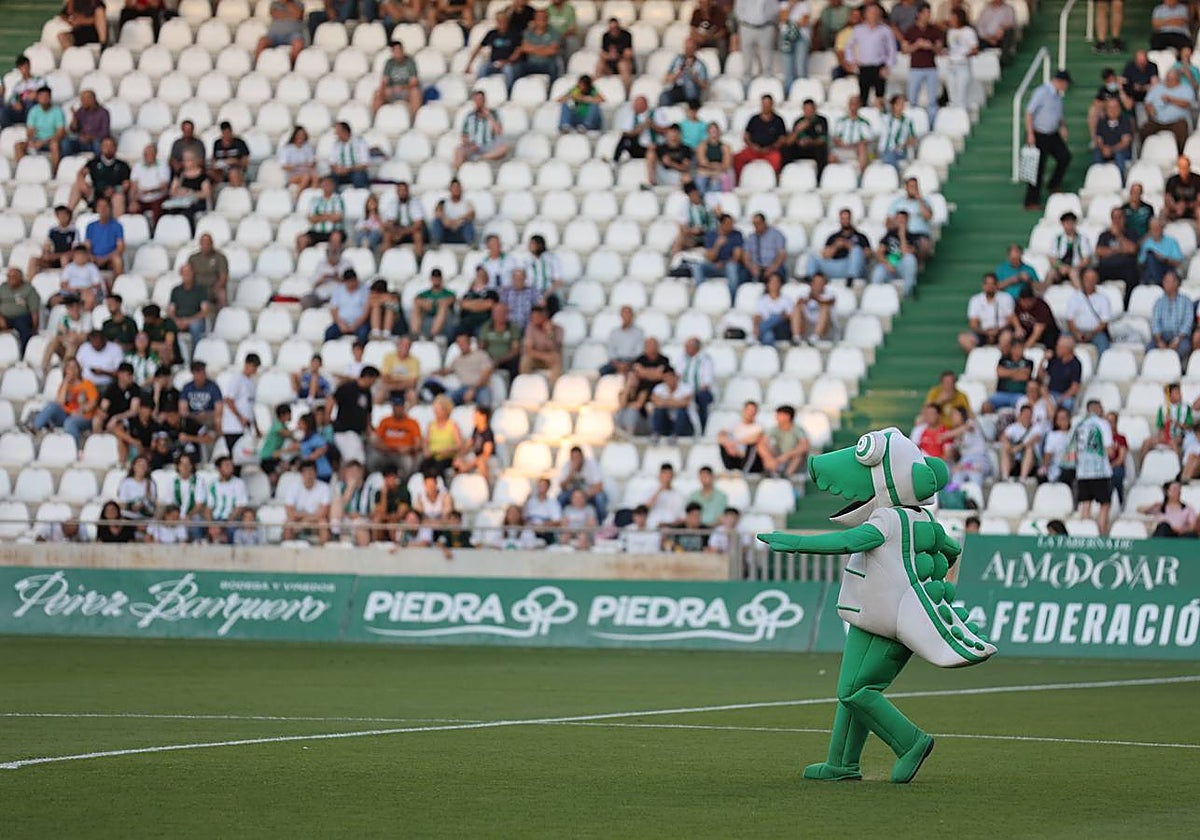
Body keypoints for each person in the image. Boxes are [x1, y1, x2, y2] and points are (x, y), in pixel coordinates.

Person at [1024, 70, 1071, 211]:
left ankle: (1053, 184)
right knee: (1037, 169)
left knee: (1064, 157)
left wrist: (1062, 126)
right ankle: (1031, 201)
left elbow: (1058, 113)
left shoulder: (1058, 96)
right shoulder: (1042, 92)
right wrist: (1030, 133)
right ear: (1060, 82)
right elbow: (1029, 113)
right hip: (1039, 133)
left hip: (1052, 133)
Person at [30, 358, 97, 444]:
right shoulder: (64, 385)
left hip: (83, 417)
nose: (71, 370)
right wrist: (66, 382)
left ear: (79, 369)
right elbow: (60, 402)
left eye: (74, 367)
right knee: (52, 405)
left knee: (70, 422)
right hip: (66, 415)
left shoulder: (87, 384)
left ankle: (73, 448)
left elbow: (93, 403)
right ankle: (34, 428)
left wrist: (80, 410)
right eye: (68, 367)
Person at [1072, 400, 1114, 534]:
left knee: (1085, 505)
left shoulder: (1078, 425)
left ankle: (1084, 534)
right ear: (1096, 408)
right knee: (1104, 506)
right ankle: (1101, 536)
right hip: (1100, 471)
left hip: (1082, 471)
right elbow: (1109, 450)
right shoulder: (1102, 424)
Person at [844, 3, 895, 106]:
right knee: (863, 97)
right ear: (865, 14)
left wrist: (888, 66)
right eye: (871, 12)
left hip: (879, 67)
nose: (874, 15)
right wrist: (852, 61)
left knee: (880, 98)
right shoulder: (858, 30)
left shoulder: (885, 30)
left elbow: (892, 49)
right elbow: (848, 47)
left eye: (876, 12)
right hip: (864, 67)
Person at [428, 331, 494, 406]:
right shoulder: (457, 360)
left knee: (485, 404)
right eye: (459, 343)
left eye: (464, 342)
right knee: (444, 401)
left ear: (469, 343)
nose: (461, 345)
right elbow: (447, 371)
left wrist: (473, 389)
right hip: (464, 388)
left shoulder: (481, 355)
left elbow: (486, 375)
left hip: (481, 387)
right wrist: (433, 372)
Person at [901, 4, 943, 123]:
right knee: (913, 98)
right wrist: (917, 45)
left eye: (929, 13)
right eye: (925, 13)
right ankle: (913, 122)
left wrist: (931, 46)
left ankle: (932, 123)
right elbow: (905, 50)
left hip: (931, 67)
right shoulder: (911, 30)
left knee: (932, 99)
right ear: (919, 14)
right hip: (915, 68)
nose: (928, 15)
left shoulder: (934, 30)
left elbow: (939, 50)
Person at [957, 273, 1015, 353]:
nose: (990, 287)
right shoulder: (975, 300)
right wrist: (986, 332)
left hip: (1001, 331)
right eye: (987, 284)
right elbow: (973, 323)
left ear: (997, 285)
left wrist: (997, 330)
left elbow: (1010, 320)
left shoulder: (1006, 297)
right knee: (963, 338)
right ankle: (978, 358)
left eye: (992, 284)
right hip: (982, 333)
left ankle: (1001, 359)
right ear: (983, 285)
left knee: (1007, 337)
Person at [690, 213, 745, 298]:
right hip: (714, 266)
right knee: (696, 267)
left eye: (732, 223)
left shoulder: (737, 234)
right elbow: (709, 257)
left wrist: (723, 263)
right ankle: (701, 294)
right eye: (728, 224)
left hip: (727, 266)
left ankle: (732, 299)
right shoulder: (711, 235)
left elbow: (736, 257)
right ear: (721, 224)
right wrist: (717, 245)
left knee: (731, 267)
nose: (731, 226)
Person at [1141, 69, 1195, 153]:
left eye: (1171, 80)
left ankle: (1181, 155)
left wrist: (1171, 100)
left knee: (1182, 130)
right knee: (1145, 129)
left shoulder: (1186, 89)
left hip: (1177, 121)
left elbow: (1187, 104)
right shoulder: (1157, 88)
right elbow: (1147, 102)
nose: (1168, 81)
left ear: (1178, 79)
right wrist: (1150, 109)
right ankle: (1142, 153)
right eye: (1167, 79)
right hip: (1157, 120)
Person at [806, 208, 867, 281]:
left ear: (851, 219)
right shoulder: (833, 237)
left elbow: (867, 255)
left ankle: (851, 279)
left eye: (847, 218)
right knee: (812, 256)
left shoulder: (860, 236)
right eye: (843, 219)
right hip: (835, 265)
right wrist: (836, 246)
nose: (845, 221)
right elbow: (825, 256)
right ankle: (811, 281)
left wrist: (849, 246)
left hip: (850, 265)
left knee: (857, 250)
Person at [735, 213, 788, 296]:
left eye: (758, 224)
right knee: (741, 275)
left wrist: (772, 268)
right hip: (757, 267)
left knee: (776, 275)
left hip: (773, 266)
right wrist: (752, 267)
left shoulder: (777, 235)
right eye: (754, 224)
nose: (756, 226)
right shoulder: (751, 237)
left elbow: (781, 255)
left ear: (764, 223)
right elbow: (746, 256)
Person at [733, 95, 787, 177]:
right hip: (753, 150)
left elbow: (782, 139)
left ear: (772, 104)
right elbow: (746, 136)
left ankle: (774, 180)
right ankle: (739, 179)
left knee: (777, 158)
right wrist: (752, 146)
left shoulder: (778, 120)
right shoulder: (754, 119)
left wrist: (770, 148)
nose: (766, 106)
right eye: (764, 103)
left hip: (770, 151)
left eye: (768, 103)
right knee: (737, 158)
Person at [13, 86, 63, 173]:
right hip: (37, 140)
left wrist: (44, 142)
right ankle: (21, 171)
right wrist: (31, 140)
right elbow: (30, 130)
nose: (44, 99)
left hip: (51, 140)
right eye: (41, 96)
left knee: (54, 145)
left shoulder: (57, 111)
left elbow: (60, 132)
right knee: (18, 145)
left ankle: (55, 173)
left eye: (46, 96)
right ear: (38, 97)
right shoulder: (34, 111)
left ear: (50, 98)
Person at [871, 210, 919, 295]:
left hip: (903, 266)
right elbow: (878, 253)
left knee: (910, 259)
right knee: (878, 271)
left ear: (907, 221)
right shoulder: (889, 235)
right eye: (898, 219)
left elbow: (906, 253)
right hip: (889, 265)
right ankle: (876, 297)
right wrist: (887, 263)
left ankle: (907, 293)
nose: (900, 221)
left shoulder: (913, 237)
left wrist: (902, 236)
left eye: (903, 219)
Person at [283, 461, 332, 545]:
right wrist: (304, 519)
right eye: (306, 472)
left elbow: (323, 512)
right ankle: (287, 549)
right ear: (301, 474)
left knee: (323, 523)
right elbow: (290, 512)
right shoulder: (293, 488)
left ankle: (322, 550)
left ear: (316, 473)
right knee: (289, 522)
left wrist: (306, 521)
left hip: (315, 521)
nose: (309, 475)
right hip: (300, 520)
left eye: (311, 472)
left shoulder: (324, 488)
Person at [1065, 268, 1112, 355]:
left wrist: (1091, 334)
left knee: (1103, 345)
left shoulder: (1103, 299)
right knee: (1063, 340)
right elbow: (1069, 319)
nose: (1090, 282)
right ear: (1082, 279)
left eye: (1092, 279)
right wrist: (1076, 333)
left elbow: (1104, 322)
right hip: (1076, 331)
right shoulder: (1074, 297)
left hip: (1096, 333)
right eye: (1087, 279)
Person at [470, 10, 520, 91]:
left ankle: (508, 92)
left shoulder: (514, 34)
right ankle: (477, 91)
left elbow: (518, 51)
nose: (501, 23)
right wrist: (469, 64)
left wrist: (507, 61)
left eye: (503, 20)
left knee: (509, 70)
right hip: (494, 63)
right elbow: (479, 47)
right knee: (482, 68)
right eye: (499, 20)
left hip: (508, 63)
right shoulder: (492, 33)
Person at [163, 150, 211, 233]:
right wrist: (179, 192)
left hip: (196, 201)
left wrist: (191, 192)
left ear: (195, 160)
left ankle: (189, 233)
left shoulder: (202, 175)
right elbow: (172, 191)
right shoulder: (180, 174)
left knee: (186, 213)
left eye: (189, 160)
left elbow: (206, 193)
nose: (187, 162)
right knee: (170, 211)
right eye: (185, 160)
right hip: (182, 201)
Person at [557, 445, 607, 523]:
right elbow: (562, 487)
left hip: (589, 493)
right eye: (573, 457)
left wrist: (584, 496)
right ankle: (559, 521)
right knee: (561, 497)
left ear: (582, 456)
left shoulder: (591, 464)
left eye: (578, 457)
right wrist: (571, 472)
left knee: (600, 498)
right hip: (573, 493)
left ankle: (601, 523)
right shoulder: (567, 466)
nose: (576, 460)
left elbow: (599, 486)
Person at [675, 337, 716, 433]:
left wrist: (691, 394)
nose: (685, 349)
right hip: (684, 391)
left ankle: (702, 427)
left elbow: (706, 383)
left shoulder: (705, 360)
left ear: (695, 348)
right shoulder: (682, 358)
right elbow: (677, 375)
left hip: (700, 392)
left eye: (688, 347)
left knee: (702, 398)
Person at [374, 40, 422, 117]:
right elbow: (384, 81)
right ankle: (377, 118)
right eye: (395, 51)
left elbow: (414, 82)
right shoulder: (389, 63)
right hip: (392, 90)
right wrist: (385, 89)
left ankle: (414, 118)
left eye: (399, 50)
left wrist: (402, 88)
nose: (397, 53)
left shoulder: (410, 62)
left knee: (415, 92)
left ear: (402, 50)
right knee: (377, 93)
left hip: (406, 90)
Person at [1095, 206, 1139, 289]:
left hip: (1125, 267)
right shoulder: (1105, 234)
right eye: (1114, 218)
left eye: (1119, 217)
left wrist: (1119, 235)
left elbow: (1132, 249)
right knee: (1091, 274)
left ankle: (1127, 301)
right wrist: (1121, 250)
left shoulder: (1131, 233)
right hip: (1106, 267)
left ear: (1124, 219)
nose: (1117, 221)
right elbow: (1099, 251)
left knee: (1133, 274)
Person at [759, 405, 809, 478]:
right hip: (779, 459)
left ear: (787, 416)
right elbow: (762, 443)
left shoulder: (797, 429)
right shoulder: (774, 428)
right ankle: (770, 471)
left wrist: (787, 455)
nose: (776, 417)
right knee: (763, 447)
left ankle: (786, 475)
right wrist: (769, 458)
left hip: (792, 460)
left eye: (779, 415)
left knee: (799, 454)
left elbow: (805, 446)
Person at [420, 395, 463, 478]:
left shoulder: (452, 425)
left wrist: (447, 449)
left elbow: (459, 445)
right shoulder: (431, 425)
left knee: (437, 469)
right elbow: (425, 442)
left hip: (447, 457)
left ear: (445, 411)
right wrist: (426, 450)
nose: (436, 412)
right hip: (433, 456)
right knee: (423, 466)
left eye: (438, 410)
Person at [381, 181, 427, 260]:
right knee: (387, 234)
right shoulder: (392, 203)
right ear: (397, 192)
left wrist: (402, 232)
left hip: (410, 231)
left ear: (408, 191)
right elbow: (389, 223)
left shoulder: (415, 203)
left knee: (418, 234)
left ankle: (419, 259)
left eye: (404, 190)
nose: (402, 193)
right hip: (398, 231)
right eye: (400, 191)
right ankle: (385, 259)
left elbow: (418, 224)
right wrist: (395, 232)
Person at [513, 9, 560, 83]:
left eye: (544, 18)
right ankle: (511, 92)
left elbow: (552, 51)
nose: (541, 20)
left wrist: (532, 48)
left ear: (547, 19)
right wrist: (543, 48)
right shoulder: (528, 33)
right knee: (516, 68)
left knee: (553, 67)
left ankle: (551, 92)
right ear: (534, 19)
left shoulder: (554, 33)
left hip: (547, 64)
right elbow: (524, 48)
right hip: (531, 64)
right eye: (539, 18)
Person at [782, 98, 828, 175]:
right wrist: (798, 131)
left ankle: (820, 177)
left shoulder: (821, 120)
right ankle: (785, 174)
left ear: (815, 109)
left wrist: (810, 142)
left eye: (810, 109)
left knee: (821, 150)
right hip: (801, 149)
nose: (808, 112)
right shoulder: (798, 121)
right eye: (806, 109)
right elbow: (789, 141)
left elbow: (823, 139)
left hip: (814, 148)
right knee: (786, 149)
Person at [62, 88, 112, 158]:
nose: (81, 102)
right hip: (82, 141)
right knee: (66, 142)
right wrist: (74, 117)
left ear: (91, 100)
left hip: (95, 142)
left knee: (97, 144)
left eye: (83, 100)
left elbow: (105, 132)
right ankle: (67, 163)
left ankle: (96, 164)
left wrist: (90, 137)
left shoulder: (103, 112)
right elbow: (73, 130)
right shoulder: (81, 111)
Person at [736, 0, 779, 79]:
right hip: (747, 27)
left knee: (767, 62)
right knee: (747, 63)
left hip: (766, 27)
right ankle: (746, 86)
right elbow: (738, 10)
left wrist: (764, 19)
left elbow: (775, 10)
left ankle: (767, 84)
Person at [519, 305, 563, 382]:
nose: (534, 319)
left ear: (544, 316)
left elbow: (557, 349)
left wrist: (550, 333)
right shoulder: (530, 328)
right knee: (525, 359)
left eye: (536, 317)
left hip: (550, 358)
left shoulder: (559, 329)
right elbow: (529, 350)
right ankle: (525, 384)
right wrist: (544, 356)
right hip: (538, 357)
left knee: (556, 358)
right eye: (532, 317)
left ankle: (554, 387)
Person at [478, 302, 522, 380]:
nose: (500, 315)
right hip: (489, 359)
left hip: (507, 359)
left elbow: (515, 349)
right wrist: (489, 359)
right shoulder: (486, 327)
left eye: (503, 312)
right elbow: (482, 347)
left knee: (516, 361)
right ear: (493, 314)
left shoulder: (513, 328)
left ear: (507, 314)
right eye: (497, 312)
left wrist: (499, 360)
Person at [255, 0, 307, 66]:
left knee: (298, 43)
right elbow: (275, 15)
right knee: (262, 41)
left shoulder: (299, 4)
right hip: (274, 35)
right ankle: (257, 65)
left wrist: (288, 3)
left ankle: (291, 66)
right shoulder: (274, 4)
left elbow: (297, 15)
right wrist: (290, 15)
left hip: (292, 35)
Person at [452, 404, 496, 483]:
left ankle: (485, 486)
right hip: (475, 457)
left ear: (484, 417)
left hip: (486, 459)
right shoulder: (476, 430)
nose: (474, 418)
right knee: (457, 461)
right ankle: (459, 484)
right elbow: (469, 444)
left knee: (481, 462)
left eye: (477, 415)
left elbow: (486, 454)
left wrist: (469, 464)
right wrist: (460, 455)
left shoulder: (488, 433)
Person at [168, 264, 210, 346]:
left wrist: (188, 321)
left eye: (189, 272)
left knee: (195, 326)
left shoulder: (201, 289)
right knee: (167, 325)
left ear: (193, 273)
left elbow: (205, 311)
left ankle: (195, 355)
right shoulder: (176, 290)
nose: (187, 275)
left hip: (194, 320)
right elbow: (171, 310)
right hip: (178, 320)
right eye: (184, 273)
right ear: (181, 274)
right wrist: (176, 320)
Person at [944, 7, 978, 109]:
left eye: (953, 18)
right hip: (951, 65)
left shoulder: (968, 31)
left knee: (961, 95)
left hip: (963, 66)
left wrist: (964, 55)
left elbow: (975, 49)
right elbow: (951, 48)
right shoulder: (950, 32)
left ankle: (962, 118)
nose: (951, 20)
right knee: (952, 96)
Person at [659, 37, 709, 105]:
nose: (688, 50)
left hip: (693, 90)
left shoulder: (700, 65)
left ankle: (692, 108)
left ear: (695, 49)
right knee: (664, 96)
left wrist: (694, 77)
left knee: (688, 81)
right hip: (678, 89)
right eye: (687, 48)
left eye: (691, 48)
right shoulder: (677, 60)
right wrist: (678, 73)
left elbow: (705, 85)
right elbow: (666, 79)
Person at [0, 268, 40, 351]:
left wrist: (35, 328)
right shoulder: (3, 288)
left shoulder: (29, 289)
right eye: (8, 276)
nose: (10, 279)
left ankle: (23, 353)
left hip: (21, 317)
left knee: (25, 330)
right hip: (3, 317)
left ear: (20, 278)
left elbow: (34, 311)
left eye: (13, 276)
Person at [1039, 335, 1083, 412]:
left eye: (1059, 346)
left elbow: (1074, 388)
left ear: (1067, 349)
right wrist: (1043, 359)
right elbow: (1041, 376)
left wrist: (1060, 400)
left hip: (1063, 396)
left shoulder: (1076, 364)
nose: (1056, 348)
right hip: (1049, 394)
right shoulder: (1054, 360)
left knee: (1068, 403)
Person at [0, 55, 44, 130]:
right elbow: (13, 99)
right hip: (21, 111)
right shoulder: (18, 85)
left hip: (35, 109)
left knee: (30, 102)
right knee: (4, 111)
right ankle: (7, 133)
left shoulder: (39, 81)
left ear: (29, 66)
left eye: (26, 67)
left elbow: (44, 94)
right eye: (22, 68)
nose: (24, 70)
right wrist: (15, 103)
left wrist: (36, 94)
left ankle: (30, 128)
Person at [1091, 97, 1133, 176]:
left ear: (1119, 108)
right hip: (1105, 149)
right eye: (1110, 107)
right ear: (1106, 109)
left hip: (1120, 149)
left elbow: (1125, 142)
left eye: (1115, 107)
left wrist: (1111, 149)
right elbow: (1099, 139)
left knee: (1119, 155)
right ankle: (1098, 177)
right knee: (1097, 153)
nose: (1113, 110)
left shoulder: (1125, 120)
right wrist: (1103, 148)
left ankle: (1120, 180)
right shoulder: (1102, 121)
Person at [649, 367, 695, 439]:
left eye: (670, 377)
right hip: (667, 423)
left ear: (675, 377)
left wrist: (664, 401)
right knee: (658, 411)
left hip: (685, 425)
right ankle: (656, 434)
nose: (668, 380)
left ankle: (675, 435)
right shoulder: (659, 388)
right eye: (666, 377)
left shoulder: (686, 388)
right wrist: (675, 402)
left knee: (681, 411)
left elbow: (685, 403)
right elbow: (656, 403)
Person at [831, 95, 875, 171]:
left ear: (859, 105)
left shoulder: (864, 122)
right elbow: (836, 137)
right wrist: (840, 143)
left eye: (855, 104)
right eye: (851, 104)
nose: (853, 106)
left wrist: (855, 145)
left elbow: (867, 140)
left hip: (856, 149)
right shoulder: (841, 121)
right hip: (843, 148)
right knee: (831, 156)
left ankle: (860, 177)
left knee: (862, 148)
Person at [718, 400, 764, 472]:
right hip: (733, 453)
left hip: (747, 457)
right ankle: (729, 470)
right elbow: (721, 435)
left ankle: (744, 471)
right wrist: (729, 444)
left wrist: (735, 443)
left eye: (753, 411)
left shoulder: (758, 426)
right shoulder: (735, 423)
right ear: (744, 410)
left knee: (753, 446)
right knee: (722, 443)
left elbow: (755, 439)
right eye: (749, 410)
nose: (750, 413)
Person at [792, 272, 838, 343]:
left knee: (825, 308)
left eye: (820, 282)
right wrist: (808, 298)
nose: (818, 285)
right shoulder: (804, 293)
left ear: (824, 284)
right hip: (807, 324)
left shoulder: (830, 294)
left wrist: (815, 298)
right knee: (797, 308)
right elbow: (798, 303)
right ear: (812, 283)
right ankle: (796, 337)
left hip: (826, 327)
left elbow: (829, 302)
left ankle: (815, 337)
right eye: (816, 282)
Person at [999, 404, 1041, 481]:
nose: (1027, 417)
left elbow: (1034, 439)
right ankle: (1005, 477)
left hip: (1031, 462)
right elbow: (1003, 437)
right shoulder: (1014, 427)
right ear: (1020, 415)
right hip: (1015, 461)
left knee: (1029, 449)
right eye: (1025, 414)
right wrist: (1008, 445)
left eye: (1029, 415)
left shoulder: (1036, 427)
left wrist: (1018, 448)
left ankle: (1023, 478)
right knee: (1004, 448)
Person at [645, 123, 695, 188]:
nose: (673, 136)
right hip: (661, 174)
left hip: (676, 174)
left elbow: (685, 168)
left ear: (680, 134)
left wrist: (671, 163)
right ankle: (651, 182)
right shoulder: (660, 148)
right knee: (651, 153)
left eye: (676, 133)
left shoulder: (685, 149)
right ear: (667, 134)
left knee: (687, 177)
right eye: (671, 133)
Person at [673, 183, 717, 255]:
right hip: (694, 236)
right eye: (692, 195)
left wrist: (704, 230)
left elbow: (714, 224)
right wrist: (692, 231)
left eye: (696, 194)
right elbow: (682, 228)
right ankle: (676, 261)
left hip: (709, 235)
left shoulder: (708, 204)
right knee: (679, 240)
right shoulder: (685, 206)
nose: (695, 197)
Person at [1139, 218, 1184, 287]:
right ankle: (1155, 283)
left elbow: (1178, 262)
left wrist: (1164, 259)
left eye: (1158, 228)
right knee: (1150, 257)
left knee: (1152, 259)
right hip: (1150, 269)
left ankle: (1156, 283)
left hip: (1167, 268)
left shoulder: (1171, 241)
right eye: (1153, 228)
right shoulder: (1147, 243)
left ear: (1162, 228)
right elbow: (1141, 262)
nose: (1155, 231)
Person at [876, 94, 917, 169]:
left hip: (899, 152)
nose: (901, 106)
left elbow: (913, 139)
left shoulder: (908, 121)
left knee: (890, 156)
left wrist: (903, 144)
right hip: (883, 151)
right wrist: (889, 101)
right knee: (888, 155)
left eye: (903, 104)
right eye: (898, 104)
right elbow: (878, 101)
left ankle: (892, 175)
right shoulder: (886, 117)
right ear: (893, 105)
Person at [780, 0, 812, 93]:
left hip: (801, 37)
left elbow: (804, 22)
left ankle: (802, 91)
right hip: (786, 38)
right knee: (787, 66)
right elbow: (783, 18)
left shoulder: (805, 5)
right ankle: (789, 92)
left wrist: (791, 23)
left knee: (800, 65)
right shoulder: (784, 5)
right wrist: (791, 6)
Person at [595, 16, 635, 92]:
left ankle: (627, 91)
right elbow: (602, 53)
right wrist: (610, 56)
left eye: (615, 28)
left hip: (623, 60)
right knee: (600, 64)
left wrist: (617, 56)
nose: (613, 31)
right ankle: (595, 89)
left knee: (622, 65)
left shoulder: (626, 35)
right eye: (611, 28)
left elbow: (629, 53)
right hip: (610, 62)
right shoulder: (606, 36)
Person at [430, 179, 475, 246]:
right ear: (450, 189)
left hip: (461, 232)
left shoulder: (467, 203)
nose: (456, 189)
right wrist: (448, 221)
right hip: (446, 231)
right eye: (454, 187)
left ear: (461, 188)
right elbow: (437, 213)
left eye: (457, 187)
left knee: (468, 223)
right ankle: (436, 241)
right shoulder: (443, 203)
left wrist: (458, 221)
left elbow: (471, 214)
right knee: (437, 221)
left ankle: (471, 243)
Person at [753, 273, 795, 344]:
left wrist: (780, 317)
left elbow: (790, 316)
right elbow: (758, 316)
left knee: (776, 317)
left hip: (781, 329)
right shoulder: (762, 300)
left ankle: (757, 332)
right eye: (772, 282)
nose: (774, 284)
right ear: (768, 284)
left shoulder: (787, 300)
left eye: (776, 282)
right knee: (768, 336)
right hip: (768, 330)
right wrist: (755, 326)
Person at [328, 121, 370, 190]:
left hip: (356, 171)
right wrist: (337, 169)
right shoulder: (336, 144)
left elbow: (364, 164)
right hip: (340, 172)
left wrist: (348, 169)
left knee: (358, 177)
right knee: (330, 180)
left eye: (338, 132)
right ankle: (335, 199)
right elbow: (332, 163)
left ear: (345, 131)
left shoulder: (360, 142)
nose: (335, 134)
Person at [279, 126, 319, 192]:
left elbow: (311, 162)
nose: (301, 137)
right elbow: (284, 165)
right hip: (293, 175)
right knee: (306, 177)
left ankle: (312, 194)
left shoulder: (307, 147)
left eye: (303, 135)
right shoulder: (287, 148)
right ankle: (298, 197)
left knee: (315, 176)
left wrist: (311, 164)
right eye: (299, 135)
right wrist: (297, 166)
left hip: (306, 172)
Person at [1164, 155, 1200, 227]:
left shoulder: (1197, 179)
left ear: (1189, 167)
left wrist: (1187, 205)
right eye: (1181, 167)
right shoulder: (1172, 180)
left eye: (1185, 167)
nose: (1183, 170)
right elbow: (1167, 198)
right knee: (1164, 212)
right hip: (1176, 208)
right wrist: (1175, 207)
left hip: (1192, 208)